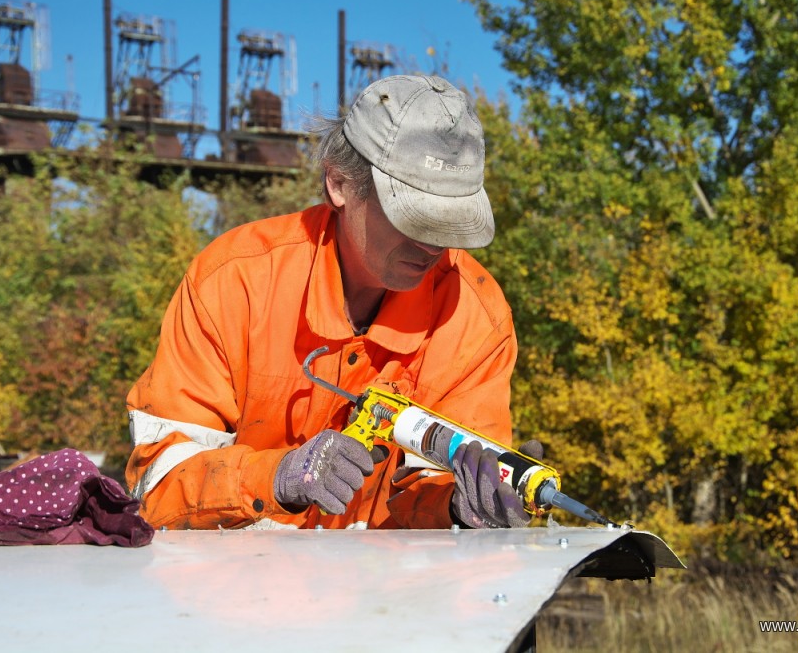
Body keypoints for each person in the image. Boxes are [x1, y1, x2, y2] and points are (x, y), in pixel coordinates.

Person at [125, 74, 541, 531]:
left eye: (451, 224)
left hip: (387, 594)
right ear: (339, 184)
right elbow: (158, 486)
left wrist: (459, 508)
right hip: (230, 586)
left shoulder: (474, 315)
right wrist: (276, 478)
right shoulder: (234, 283)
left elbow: (428, 501)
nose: (433, 247)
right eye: (416, 219)